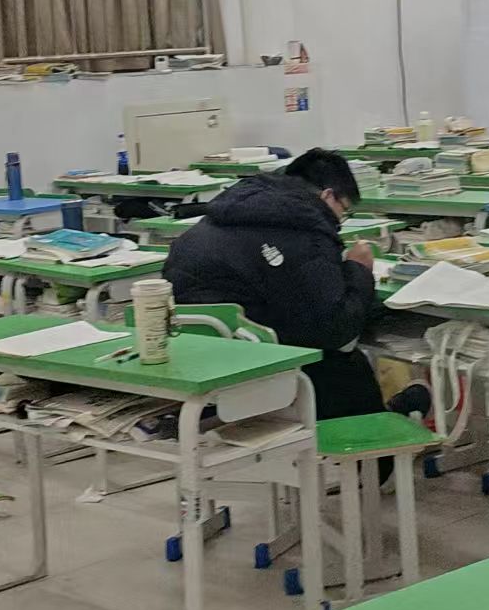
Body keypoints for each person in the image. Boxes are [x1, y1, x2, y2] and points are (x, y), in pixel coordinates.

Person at [163, 148, 426, 426]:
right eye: (344, 211)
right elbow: (336, 327)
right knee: (345, 357)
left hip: (202, 360)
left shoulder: (223, 214)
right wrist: (358, 269)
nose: (340, 221)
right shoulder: (303, 232)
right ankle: (374, 433)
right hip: (268, 365)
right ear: (328, 196)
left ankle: (380, 415)